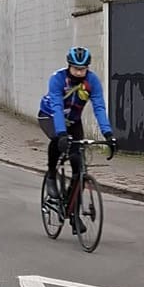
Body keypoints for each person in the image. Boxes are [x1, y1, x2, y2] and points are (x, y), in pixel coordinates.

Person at [39, 47, 116, 210]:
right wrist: (61, 134)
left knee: (78, 166)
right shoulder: (58, 79)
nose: (80, 72)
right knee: (56, 140)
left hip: (73, 121)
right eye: (76, 68)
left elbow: (99, 108)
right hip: (50, 116)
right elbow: (57, 106)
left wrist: (108, 134)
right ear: (69, 65)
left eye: (83, 69)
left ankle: (72, 210)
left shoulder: (92, 81)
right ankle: (51, 174)